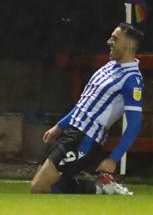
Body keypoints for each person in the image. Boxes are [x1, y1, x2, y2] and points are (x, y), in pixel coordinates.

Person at [30, 23, 144, 195]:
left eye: (114, 38)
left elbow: (135, 124)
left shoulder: (132, 79)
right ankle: (101, 187)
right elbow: (85, 103)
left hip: (85, 138)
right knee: (48, 185)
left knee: (40, 187)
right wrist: (60, 125)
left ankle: (101, 189)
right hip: (70, 131)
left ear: (128, 45)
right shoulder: (109, 66)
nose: (109, 41)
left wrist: (113, 159)